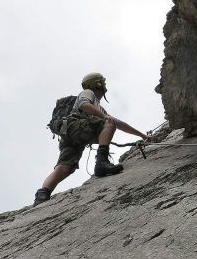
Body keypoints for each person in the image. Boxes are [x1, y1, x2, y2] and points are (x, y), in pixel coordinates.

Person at [33, 72, 150, 206]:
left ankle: (42, 195)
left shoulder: (98, 106)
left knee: (65, 167)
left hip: (69, 134)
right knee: (109, 123)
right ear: (98, 84)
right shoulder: (89, 93)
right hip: (76, 126)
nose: (105, 86)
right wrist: (104, 117)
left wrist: (142, 135)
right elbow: (84, 105)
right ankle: (101, 162)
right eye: (103, 83)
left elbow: (119, 124)